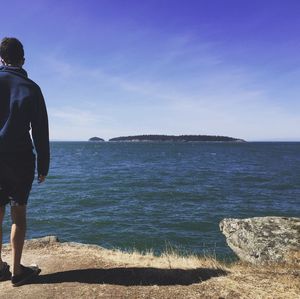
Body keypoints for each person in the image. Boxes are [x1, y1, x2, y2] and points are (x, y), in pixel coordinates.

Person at [0, 37, 50, 286]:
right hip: (19, 161)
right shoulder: (31, 88)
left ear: (1, 58)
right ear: (23, 59)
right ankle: (17, 272)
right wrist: (43, 166)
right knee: (18, 214)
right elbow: (40, 131)